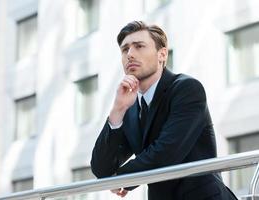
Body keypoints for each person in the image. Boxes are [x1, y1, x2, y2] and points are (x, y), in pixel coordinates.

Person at [90, 21, 237, 200]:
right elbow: (101, 169)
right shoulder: (129, 109)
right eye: (125, 49)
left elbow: (167, 151)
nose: (130, 54)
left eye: (139, 46)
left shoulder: (187, 89)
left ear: (162, 54)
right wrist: (117, 111)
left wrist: (122, 178)